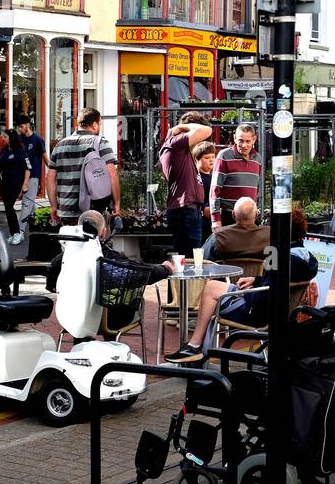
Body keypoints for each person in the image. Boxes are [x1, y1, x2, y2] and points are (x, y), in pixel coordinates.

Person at [166, 206, 320, 363]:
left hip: (258, 315)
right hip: (282, 312)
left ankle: (195, 345)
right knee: (212, 286)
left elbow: (261, 300)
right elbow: (279, 283)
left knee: (210, 293)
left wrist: (248, 292)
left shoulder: (276, 255)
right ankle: (195, 346)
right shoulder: (308, 258)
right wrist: (257, 280)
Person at [46, 210, 175, 330]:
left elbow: (51, 286)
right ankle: (111, 343)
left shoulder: (60, 260)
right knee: (120, 301)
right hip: (112, 320)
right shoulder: (109, 259)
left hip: (73, 316)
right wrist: (166, 268)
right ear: (103, 232)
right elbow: (142, 273)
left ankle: (81, 342)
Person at [48, 108, 119, 226]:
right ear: (95, 124)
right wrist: (116, 204)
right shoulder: (100, 143)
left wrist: (54, 206)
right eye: (99, 123)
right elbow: (112, 175)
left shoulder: (60, 145)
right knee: (95, 243)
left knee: (72, 243)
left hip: (66, 211)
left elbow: (50, 177)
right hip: (93, 209)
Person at [159, 111, 214, 255]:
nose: (200, 142)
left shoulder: (181, 150)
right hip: (185, 210)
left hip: (189, 210)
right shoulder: (175, 143)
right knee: (192, 258)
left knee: (189, 257)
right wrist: (182, 127)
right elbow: (207, 130)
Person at [210, 123, 261, 231]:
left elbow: (256, 188)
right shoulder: (224, 156)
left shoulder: (257, 159)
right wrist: (215, 219)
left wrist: (256, 208)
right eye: (240, 140)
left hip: (251, 218)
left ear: (254, 139)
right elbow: (214, 190)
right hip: (229, 216)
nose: (244, 145)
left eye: (248, 141)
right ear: (234, 138)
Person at [0, 129, 31, 244]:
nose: (3, 139)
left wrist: (25, 184)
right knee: (7, 208)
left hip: (17, 183)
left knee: (10, 208)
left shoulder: (21, 150)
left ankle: (17, 233)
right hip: (5, 184)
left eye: (5, 137)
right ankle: (13, 233)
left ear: (11, 138)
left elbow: (28, 168)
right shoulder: (4, 150)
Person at [204, 196, 270, 260]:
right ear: (256, 215)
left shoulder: (219, 237)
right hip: (259, 271)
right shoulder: (269, 235)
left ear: (233, 214)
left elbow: (203, 260)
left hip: (227, 271)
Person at [15, 115, 50, 227]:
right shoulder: (19, 140)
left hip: (33, 175)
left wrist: (52, 172)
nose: (19, 129)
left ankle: (19, 232)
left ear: (28, 125)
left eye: (21, 126)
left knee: (26, 204)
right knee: (30, 204)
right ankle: (39, 225)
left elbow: (45, 158)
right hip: (21, 176)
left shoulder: (38, 140)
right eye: (18, 127)